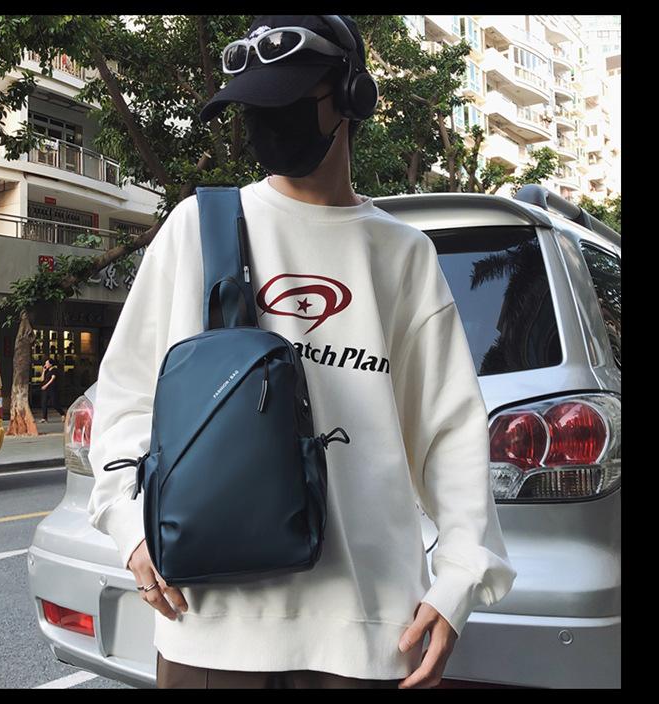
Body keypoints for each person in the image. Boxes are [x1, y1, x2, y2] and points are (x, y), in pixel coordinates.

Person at [87, 15, 517, 690]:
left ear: (351, 98)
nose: (267, 122)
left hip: (370, 629)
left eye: (285, 102)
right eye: (253, 107)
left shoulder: (401, 254)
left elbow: (450, 431)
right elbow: (127, 395)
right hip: (210, 625)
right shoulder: (196, 228)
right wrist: (128, 526)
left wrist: (460, 578)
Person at [39, 358, 65, 423]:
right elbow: (42, 379)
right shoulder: (47, 370)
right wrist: (43, 371)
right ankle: (44, 418)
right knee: (44, 403)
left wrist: (46, 385)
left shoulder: (54, 370)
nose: (45, 365)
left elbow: (52, 379)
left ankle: (62, 413)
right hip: (46, 389)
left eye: (47, 363)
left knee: (54, 403)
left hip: (52, 388)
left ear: (51, 364)